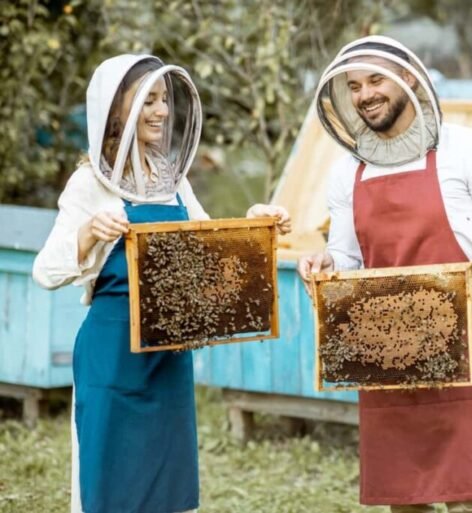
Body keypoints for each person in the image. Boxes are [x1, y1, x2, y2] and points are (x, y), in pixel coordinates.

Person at [33, 54, 289, 513]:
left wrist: (251, 225)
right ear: (116, 111)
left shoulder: (172, 180)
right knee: (110, 488)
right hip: (111, 358)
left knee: (168, 492)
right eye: (147, 100)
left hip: (168, 358)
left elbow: (207, 251)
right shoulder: (88, 183)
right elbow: (46, 272)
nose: (161, 110)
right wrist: (90, 231)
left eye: (164, 99)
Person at [299, 36, 472, 513]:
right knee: (404, 495)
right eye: (354, 86)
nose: (365, 94)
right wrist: (325, 265)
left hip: (460, 338)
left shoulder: (463, 148)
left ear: (409, 78)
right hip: (383, 345)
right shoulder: (347, 172)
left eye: (376, 80)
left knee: (471, 490)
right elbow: (345, 256)